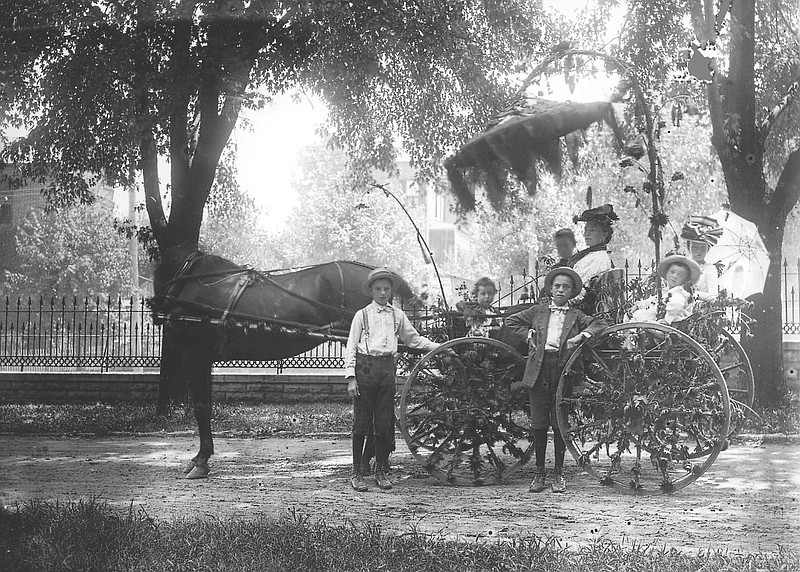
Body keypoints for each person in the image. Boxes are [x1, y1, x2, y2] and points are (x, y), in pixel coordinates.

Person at [504, 267, 606, 493]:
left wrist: (581, 336)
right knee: (539, 423)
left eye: (566, 287)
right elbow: (511, 321)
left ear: (572, 292)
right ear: (550, 289)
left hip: (564, 370)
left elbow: (600, 324)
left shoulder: (576, 316)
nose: (561, 290)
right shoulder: (537, 312)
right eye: (557, 286)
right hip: (539, 369)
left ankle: (558, 473)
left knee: (560, 422)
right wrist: (529, 335)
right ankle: (539, 472)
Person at [344, 268, 440, 492]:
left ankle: (380, 471)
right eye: (378, 289)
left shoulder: (397, 315)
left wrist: (439, 348)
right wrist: (351, 377)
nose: (383, 293)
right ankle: (357, 472)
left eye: (387, 289)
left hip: (387, 369)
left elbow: (414, 340)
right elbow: (351, 346)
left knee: (383, 423)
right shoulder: (362, 315)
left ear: (392, 291)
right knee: (361, 424)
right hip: (365, 369)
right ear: (371, 291)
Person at [567, 204, 617, 312]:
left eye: (593, 230)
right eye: (586, 230)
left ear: (604, 234)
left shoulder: (597, 259)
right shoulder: (591, 255)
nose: (587, 234)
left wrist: (558, 300)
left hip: (578, 311)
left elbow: (579, 293)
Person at [628, 254, 701, 325]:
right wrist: (638, 305)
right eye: (672, 272)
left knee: (638, 317)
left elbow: (676, 305)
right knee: (637, 315)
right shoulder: (667, 291)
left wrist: (667, 320)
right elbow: (654, 300)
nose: (674, 276)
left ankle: (628, 333)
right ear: (666, 273)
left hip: (673, 323)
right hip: (662, 318)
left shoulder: (679, 292)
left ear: (685, 280)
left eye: (680, 275)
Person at [681, 216, 722, 301]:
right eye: (695, 247)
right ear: (689, 247)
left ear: (708, 249)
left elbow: (713, 297)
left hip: (700, 310)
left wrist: (694, 294)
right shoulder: (683, 266)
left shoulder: (710, 269)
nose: (699, 251)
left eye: (703, 248)